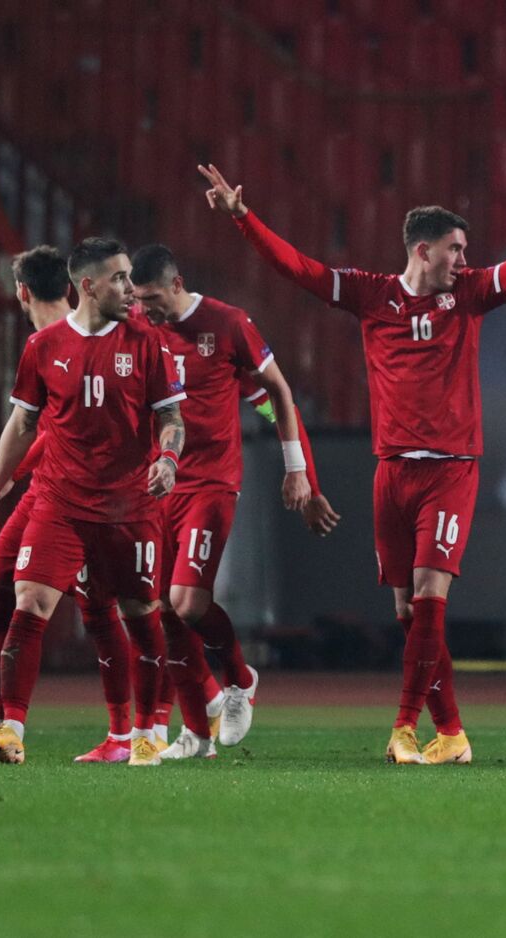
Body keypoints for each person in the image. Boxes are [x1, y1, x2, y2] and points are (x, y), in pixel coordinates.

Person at [198, 147, 506, 764]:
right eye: (455, 249)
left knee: (431, 596)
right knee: (409, 610)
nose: (464, 259)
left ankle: (405, 728)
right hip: (392, 472)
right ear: (423, 250)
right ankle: (454, 734)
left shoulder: (470, 294)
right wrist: (242, 217)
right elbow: (299, 269)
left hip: (451, 468)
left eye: (464, 251)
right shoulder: (371, 295)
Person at [0, 238, 185, 766]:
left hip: (129, 507)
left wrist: (168, 459)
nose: (131, 289)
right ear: (87, 285)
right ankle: (11, 732)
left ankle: (144, 735)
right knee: (28, 601)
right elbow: (22, 423)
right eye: (119, 278)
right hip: (60, 504)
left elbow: (171, 418)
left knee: (140, 615)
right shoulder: (43, 347)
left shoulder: (148, 342)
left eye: (130, 277)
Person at [0, 246, 137, 764]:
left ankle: (126, 735)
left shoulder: (109, 338)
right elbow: (30, 425)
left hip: (99, 499)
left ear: (21, 292)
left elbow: (55, 433)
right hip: (48, 494)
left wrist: (0, 484)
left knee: (100, 611)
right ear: (71, 287)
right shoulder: (44, 346)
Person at [127, 243, 310, 760]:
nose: (146, 309)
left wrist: (296, 466)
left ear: (177, 283)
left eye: (152, 298)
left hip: (211, 482)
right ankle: (196, 733)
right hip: (157, 483)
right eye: (139, 300)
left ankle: (239, 678)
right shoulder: (139, 328)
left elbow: (277, 390)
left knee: (187, 601)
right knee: (164, 610)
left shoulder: (227, 323)